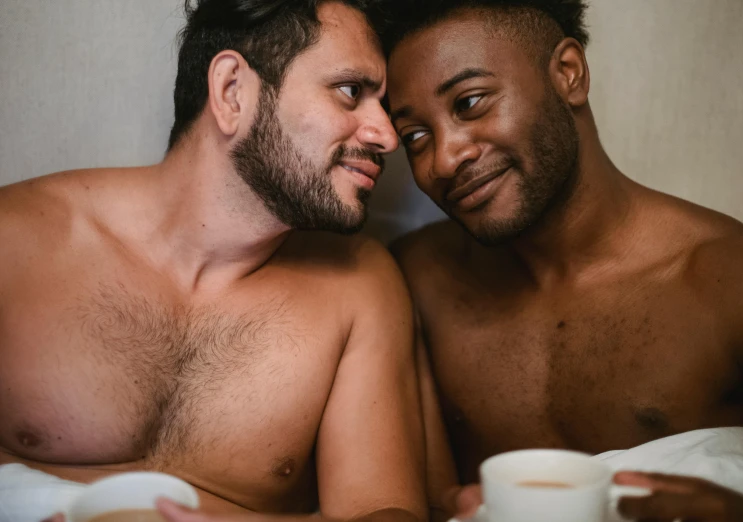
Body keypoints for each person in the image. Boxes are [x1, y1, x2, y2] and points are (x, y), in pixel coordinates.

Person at [0, 1, 427, 520]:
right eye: (350, 92)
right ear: (232, 91)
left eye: (383, 106)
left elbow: (383, 511)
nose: (386, 136)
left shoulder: (359, 286)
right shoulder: (14, 240)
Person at [378, 0, 743, 520]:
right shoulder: (420, 282)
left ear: (569, 73)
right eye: (415, 136)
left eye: (471, 102)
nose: (445, 158)